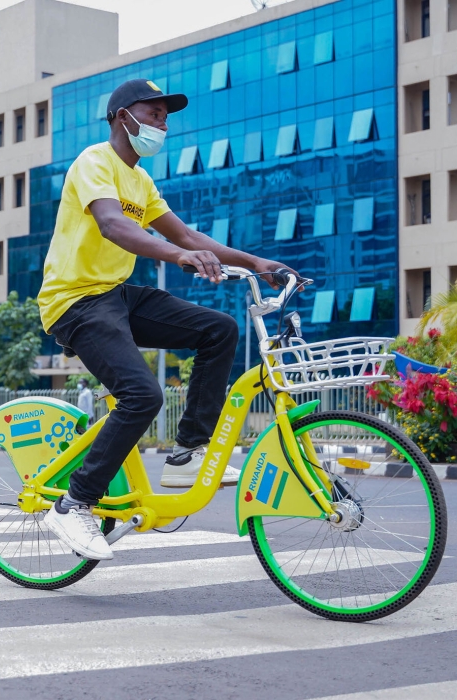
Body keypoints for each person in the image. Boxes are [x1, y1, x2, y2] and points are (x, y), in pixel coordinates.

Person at [39, 79, 301, 560]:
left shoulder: (141, 181)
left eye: (166, 117)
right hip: (75, 301)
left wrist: (259, 264)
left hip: (117, 295)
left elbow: (184, 234)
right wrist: (177, 258)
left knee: (218, 329)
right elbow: (113, 225)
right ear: (124, 116)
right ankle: (74, 503)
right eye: (154, 114)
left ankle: (186, 452)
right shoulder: (95, 161)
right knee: (143, 394)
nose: (163, 124)